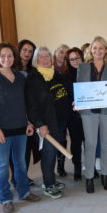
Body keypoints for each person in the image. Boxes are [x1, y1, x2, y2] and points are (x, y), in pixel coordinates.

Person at [0, 42, 40, 213]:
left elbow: (24, 102)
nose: (7, 59)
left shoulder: (20, 77)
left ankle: (24, 192)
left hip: (20, 128)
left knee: (20, 162)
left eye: (10, 55)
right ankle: (5, 198)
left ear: (14, 57)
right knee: (2, 165)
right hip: (0, 130)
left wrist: (29, 122)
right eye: (3, 56)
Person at [25, 46, 72, 199]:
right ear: (36, 60)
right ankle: (48, 184)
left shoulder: (56, 75)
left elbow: (66, 94)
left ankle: (50, 179)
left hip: (59, 121)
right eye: (41, 57)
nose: (45, 60)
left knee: (52, 153)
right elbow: (31, 105)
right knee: (48, 153)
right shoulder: (33, 78)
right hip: (45, 124)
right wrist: (40, 124)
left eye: (47, 56)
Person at [77, 36, 107, 194]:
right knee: (90, 144)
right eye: (95, 48)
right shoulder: (83, 67)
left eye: (101, 48)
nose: (97, 51)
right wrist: (77, 101)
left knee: (106, 143)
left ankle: (105, 174)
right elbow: (79, 89)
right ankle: (89, 176)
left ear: (106, 50)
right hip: (89, 112)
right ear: (90, 50)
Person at [7, 39, 39, 187]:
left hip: (30, 113)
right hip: (14, 113)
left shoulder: (33, 71)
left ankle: (22, 176)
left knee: (26, 149)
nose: (27, 53)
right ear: (19, 51)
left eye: (30, 51)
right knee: (15, 150)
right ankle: (15, 177)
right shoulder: (11, 69)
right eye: (24, 50)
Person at [62, 47, 85, 181]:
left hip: (88, 114)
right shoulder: (65, 76)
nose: (75, 61)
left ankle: (91, 166)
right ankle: (77, 166)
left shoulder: (89, 72)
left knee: (89, 142)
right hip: (73, 114)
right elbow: (64, 96)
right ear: (68, 61)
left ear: (82, 58)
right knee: (76, 142)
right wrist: (73, 103)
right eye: (72, 59)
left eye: (77, 58)